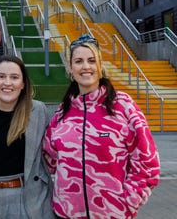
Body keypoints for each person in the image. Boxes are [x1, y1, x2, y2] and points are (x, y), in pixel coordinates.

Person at [43, 34, 160, 219]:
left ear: (100, 66)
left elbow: (148, 164)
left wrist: (128, 202)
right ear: (71, 69)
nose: (86, 67)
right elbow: (48, 159)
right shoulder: (62, 113)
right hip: (65, 215)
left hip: (112, 214)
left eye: (91, 60)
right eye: (78, 61)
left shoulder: (123, 106)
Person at [0, 54, 55, 219]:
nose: (7, 83)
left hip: (27, 199)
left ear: (23, 84)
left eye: (14, 77)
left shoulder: (38, 111)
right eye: (1, 76)